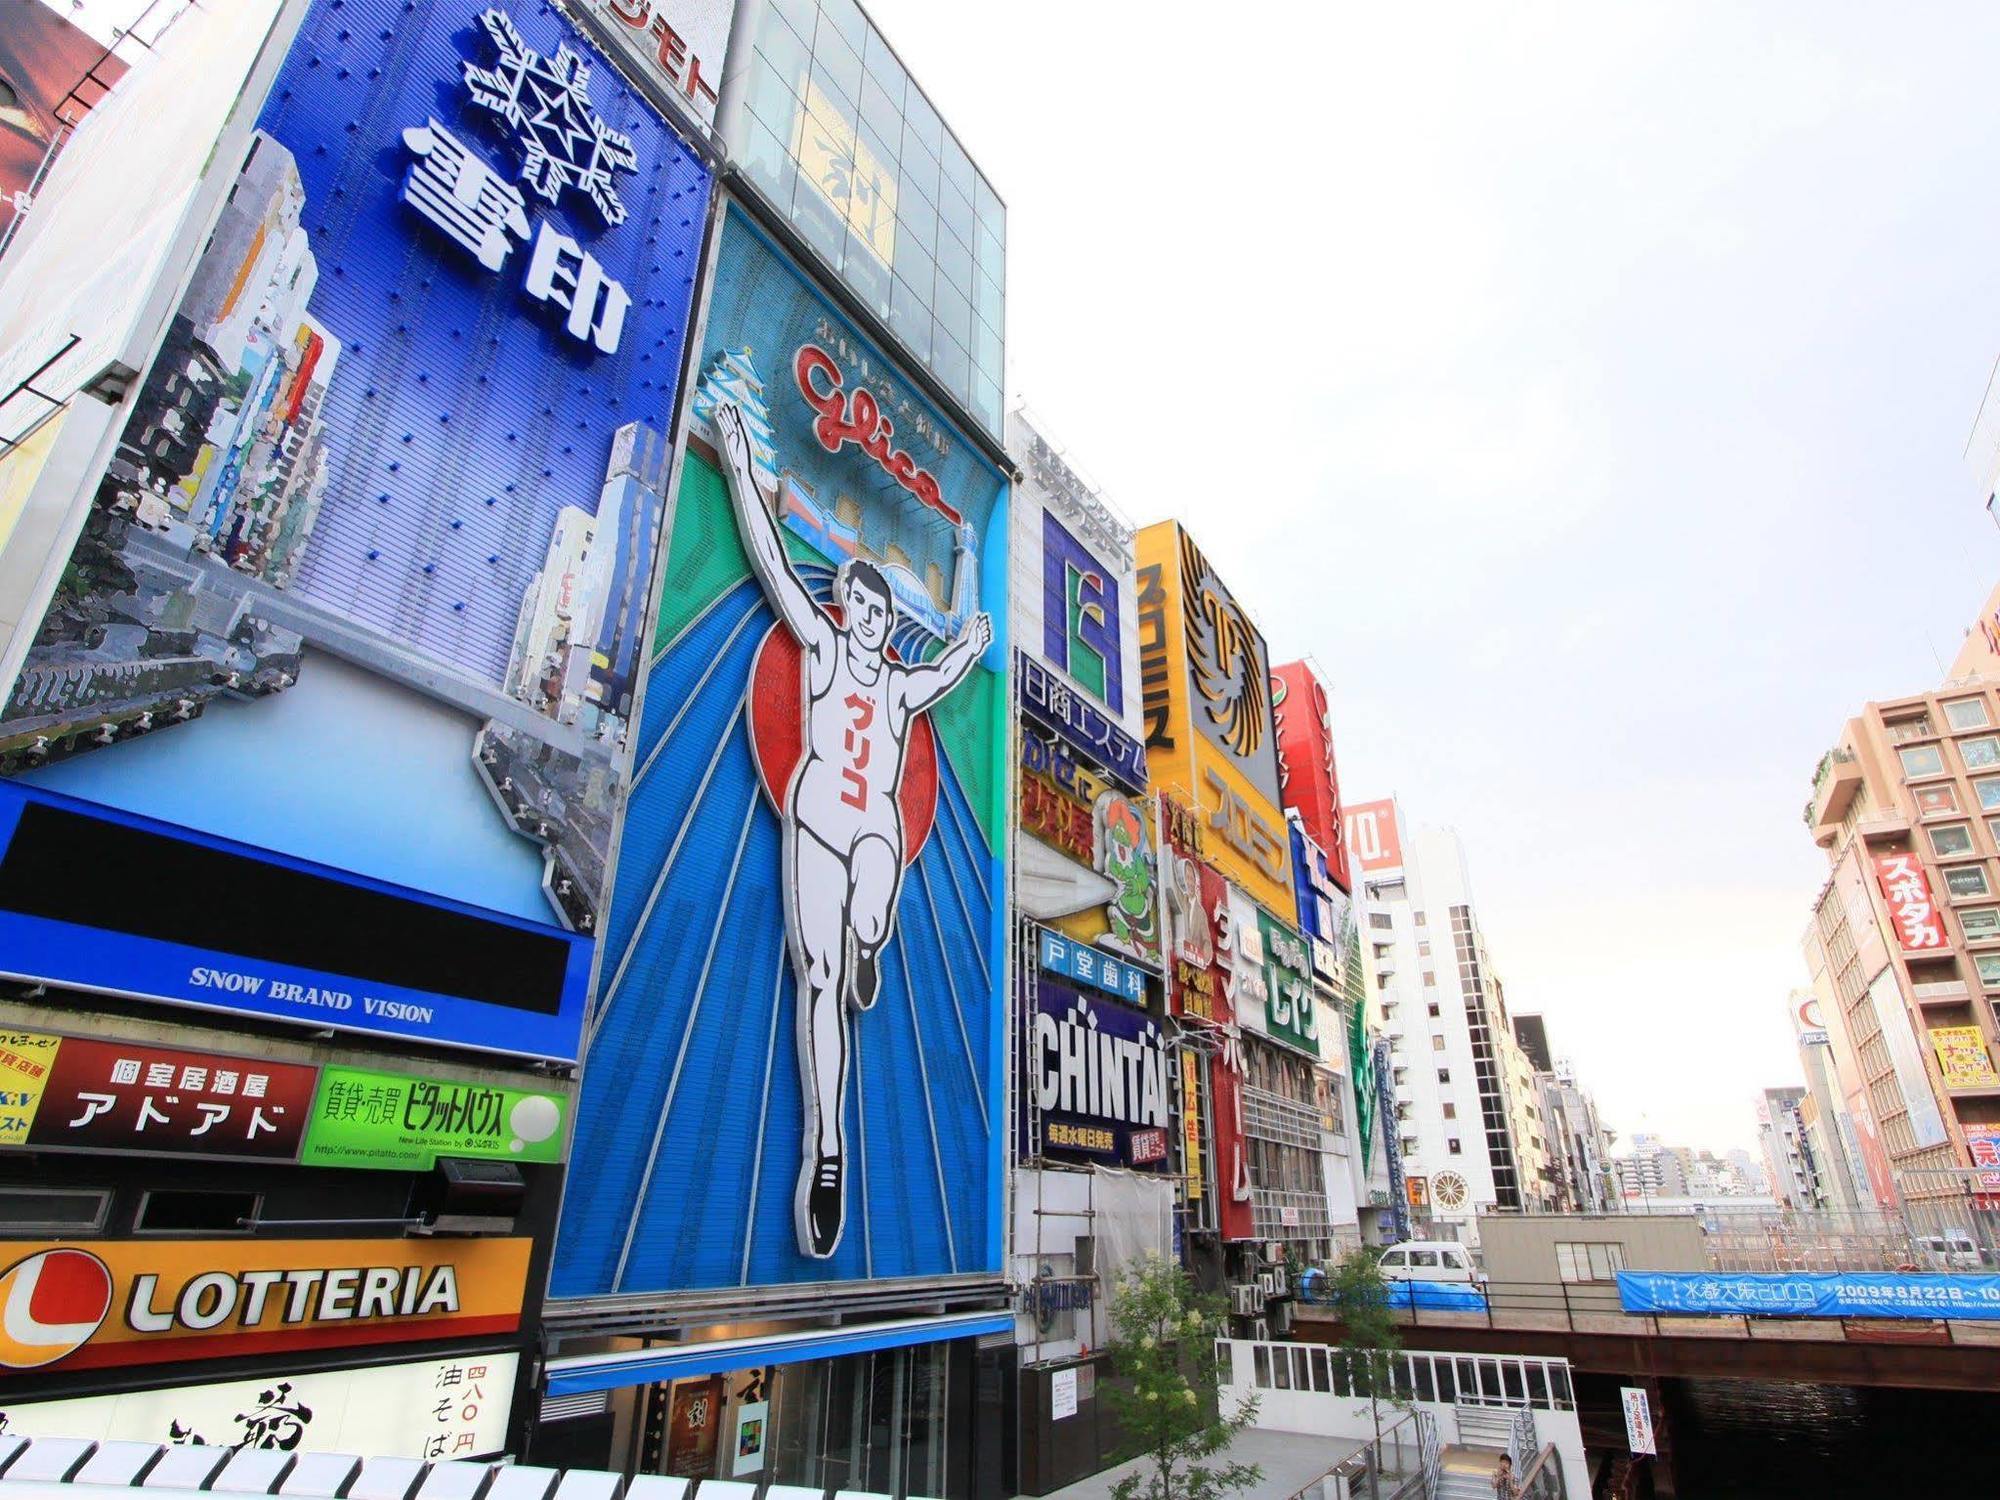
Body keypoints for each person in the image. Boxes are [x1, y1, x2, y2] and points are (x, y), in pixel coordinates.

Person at [715, 400, 992, 1260]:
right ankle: (827, 1151)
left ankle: (874, 938)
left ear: (887, 621)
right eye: (859, 608)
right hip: (813, 823)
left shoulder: (901, 685)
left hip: (870, 828)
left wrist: (975, 635)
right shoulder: (824, 652)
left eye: (879, 613)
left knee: (871, 908)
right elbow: (772, 563)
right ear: (847, 612)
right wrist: (734, 459)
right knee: (818, 984)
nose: (868, 622)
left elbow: (945, 666)